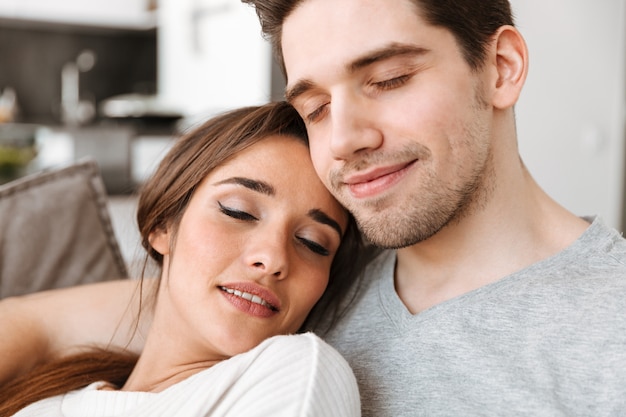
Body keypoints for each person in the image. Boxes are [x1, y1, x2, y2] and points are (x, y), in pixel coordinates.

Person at [1, 0, 626, 415]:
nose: (345, 138)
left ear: (502, 67)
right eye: (316, 108)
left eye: (387, 79)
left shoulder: (608, 335)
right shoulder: (312, 277)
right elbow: (40, 328)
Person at [0, 102, 364, 416]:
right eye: (238, 212)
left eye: (313, 243)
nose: (272, 258)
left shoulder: (294, 371)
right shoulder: (48, 395)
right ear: (162, 226)